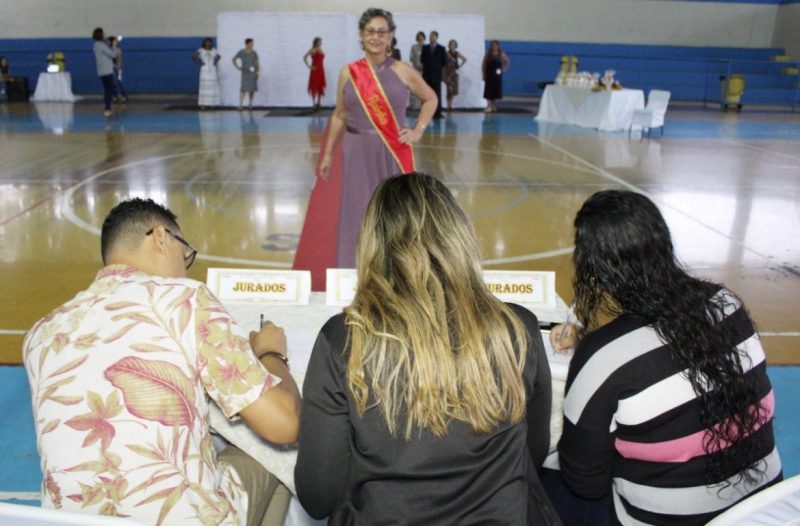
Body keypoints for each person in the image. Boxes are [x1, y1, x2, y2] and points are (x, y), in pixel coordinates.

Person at [295, 173, 561, 525]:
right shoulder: (518, 328)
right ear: (458, 236)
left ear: (372, 245)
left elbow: (319, 496)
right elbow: (532, 451)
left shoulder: (343, 340)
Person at [23, 198, 301, 526]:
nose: (185, 268)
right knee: (274, 454)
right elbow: (285, 424)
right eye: (185, 254)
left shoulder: (40, 333)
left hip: (67, 522)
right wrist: (271, 353)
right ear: (160, 237)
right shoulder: (184, 298)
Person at [549, 190, 782, 525]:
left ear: (595, 265)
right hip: (763, 509)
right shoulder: (726, 304)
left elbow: (584, 480)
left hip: (671, 519)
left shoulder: (605, 355)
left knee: (538, 479)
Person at [315, 7, 437, 268]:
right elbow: (339, 116)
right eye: (370, 31)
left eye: (382, 32)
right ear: (361, 34)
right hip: (356, 150)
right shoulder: (348, 72)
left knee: (394, 212)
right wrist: (327, 154)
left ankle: (396, 270)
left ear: (391, 36)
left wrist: (418, 129)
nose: (376, 37)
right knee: (357, 211)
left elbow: (430, 98)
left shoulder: (403, 70)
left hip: (392, 150)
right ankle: (354, 268)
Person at [421, 30, 447, 118]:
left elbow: (444, 62)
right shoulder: (425, 48)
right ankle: (426, 112)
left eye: (433, 36)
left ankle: (437, 113)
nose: (431, 37)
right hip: (427, 74)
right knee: (426, 94)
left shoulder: (441, 48)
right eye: (430, 35)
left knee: (437, 94)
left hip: (436, 75)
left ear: (436, 37)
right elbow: (422, 60)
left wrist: (437, 68)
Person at [92, 27, 118, 117]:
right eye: (103, 33)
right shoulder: (101, 46)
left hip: (101, 71)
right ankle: (107, 109)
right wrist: (114, 46)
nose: (105, 34)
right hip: (107, 71)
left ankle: (107, 108)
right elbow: (113, 55)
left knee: (107, 89)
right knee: (109, 90)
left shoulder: (96, 45)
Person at [482, 40, 510, 113]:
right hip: (489, 74)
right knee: (488, 90)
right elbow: (483, 65)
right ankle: (488, 106)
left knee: (495, 90)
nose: (494, 46)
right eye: (493, 45)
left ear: (498, 46)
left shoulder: (501, 54)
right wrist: (483, 74)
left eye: (495, 45)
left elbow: (507, 61)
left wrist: (504, 69)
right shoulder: (488, 54)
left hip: (497, 75)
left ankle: (493, 105)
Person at [193, 37, 221, 108]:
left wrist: (214, 62)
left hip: (212, 69)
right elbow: (193, 56)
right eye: (207, 42)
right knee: (205, 86)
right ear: (204, 43)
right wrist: (200, 62)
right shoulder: (201, 50)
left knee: (212, 86)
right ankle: (203, 104)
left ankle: (212, 104)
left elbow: (218, 56)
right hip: (204, 70)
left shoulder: (214, 50)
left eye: (209, 42)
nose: (208, 44)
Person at [233, 38, 259, 111]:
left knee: (252, 89)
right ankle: (240, 105)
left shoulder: (254, 53)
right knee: (243, 89)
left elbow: (257, 63)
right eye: (250, 43)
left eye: (252, 43)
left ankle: (250, 105)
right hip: (245, 73)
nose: (252, 45)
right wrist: (238, 67)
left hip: (252, 73)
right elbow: (234, 59)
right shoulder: (241, 52)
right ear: (246, 44)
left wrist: (257, 72)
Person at [443, 39, 466, 113]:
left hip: (454, 73)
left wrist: (459, 66)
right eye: (451, 44)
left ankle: (450, 106)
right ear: (449, 45)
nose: (452, 45)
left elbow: (464, 59)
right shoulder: (446, 53)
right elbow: (443, 63)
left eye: (453, 44)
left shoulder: (457, 53)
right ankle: (448, 105)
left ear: (455, 46)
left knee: (453, 90)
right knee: (448, 90)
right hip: (448, 73)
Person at [303, 37, 326, 110]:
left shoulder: (320, 49)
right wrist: (310, 67)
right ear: (316, 42)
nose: (320, 43)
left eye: (320, 42)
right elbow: (304, 57)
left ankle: (319, 103)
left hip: (321, 69)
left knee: (320, 85)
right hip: (315, 70)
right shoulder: (312, 49)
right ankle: (314, 103)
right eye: (319, 42)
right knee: (314, 85)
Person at [408, 31, 425, 110]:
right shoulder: (414, 47)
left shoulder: (426, 47)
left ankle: (423, 106)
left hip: (424, 71)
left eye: (421, 36)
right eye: (419, 36)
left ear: (424, 37)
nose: (420, 38)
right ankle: (414, 106)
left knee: (423, 88)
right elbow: (411, 58)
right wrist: (416, 66)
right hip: (415, 70)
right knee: (414, 87)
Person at [107, 36, 127, 103]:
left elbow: (119, 60)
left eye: (116, 41)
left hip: (118, 69)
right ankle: (115, 96)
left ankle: (123, 96)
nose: (115, 42)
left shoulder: (118, 50)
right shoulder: (109, 49)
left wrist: (118, 68)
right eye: (114, 41)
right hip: (111, 68)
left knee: (119, 82)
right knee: (113, 83)